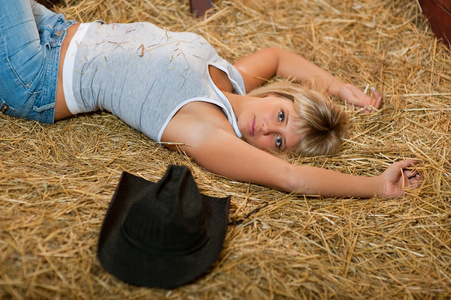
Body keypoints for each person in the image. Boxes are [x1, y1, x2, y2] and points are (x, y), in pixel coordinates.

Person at [0, 0, 421, 199]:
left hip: (36, 75)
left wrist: (377, 188)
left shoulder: (211, 131)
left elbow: (292, 179)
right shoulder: (235, 79)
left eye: (278, 142)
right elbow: (277, 56)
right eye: (280, 115)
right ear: (276, 95)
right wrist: (338, 88)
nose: (267, 129)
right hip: (58, 29)